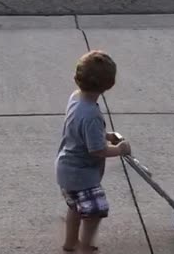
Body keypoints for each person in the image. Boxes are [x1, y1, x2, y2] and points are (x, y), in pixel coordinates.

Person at [55, 50, 132, 252]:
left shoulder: (76, 98)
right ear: (109, 85)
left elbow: (79, 130)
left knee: (75, 209)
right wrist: (119, 149)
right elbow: (97, 150)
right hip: (82, 176)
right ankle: (85, 246)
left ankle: (70, 243)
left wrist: (104, 134)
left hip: (65, 169)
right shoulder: (91, 115)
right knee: (94, 213)